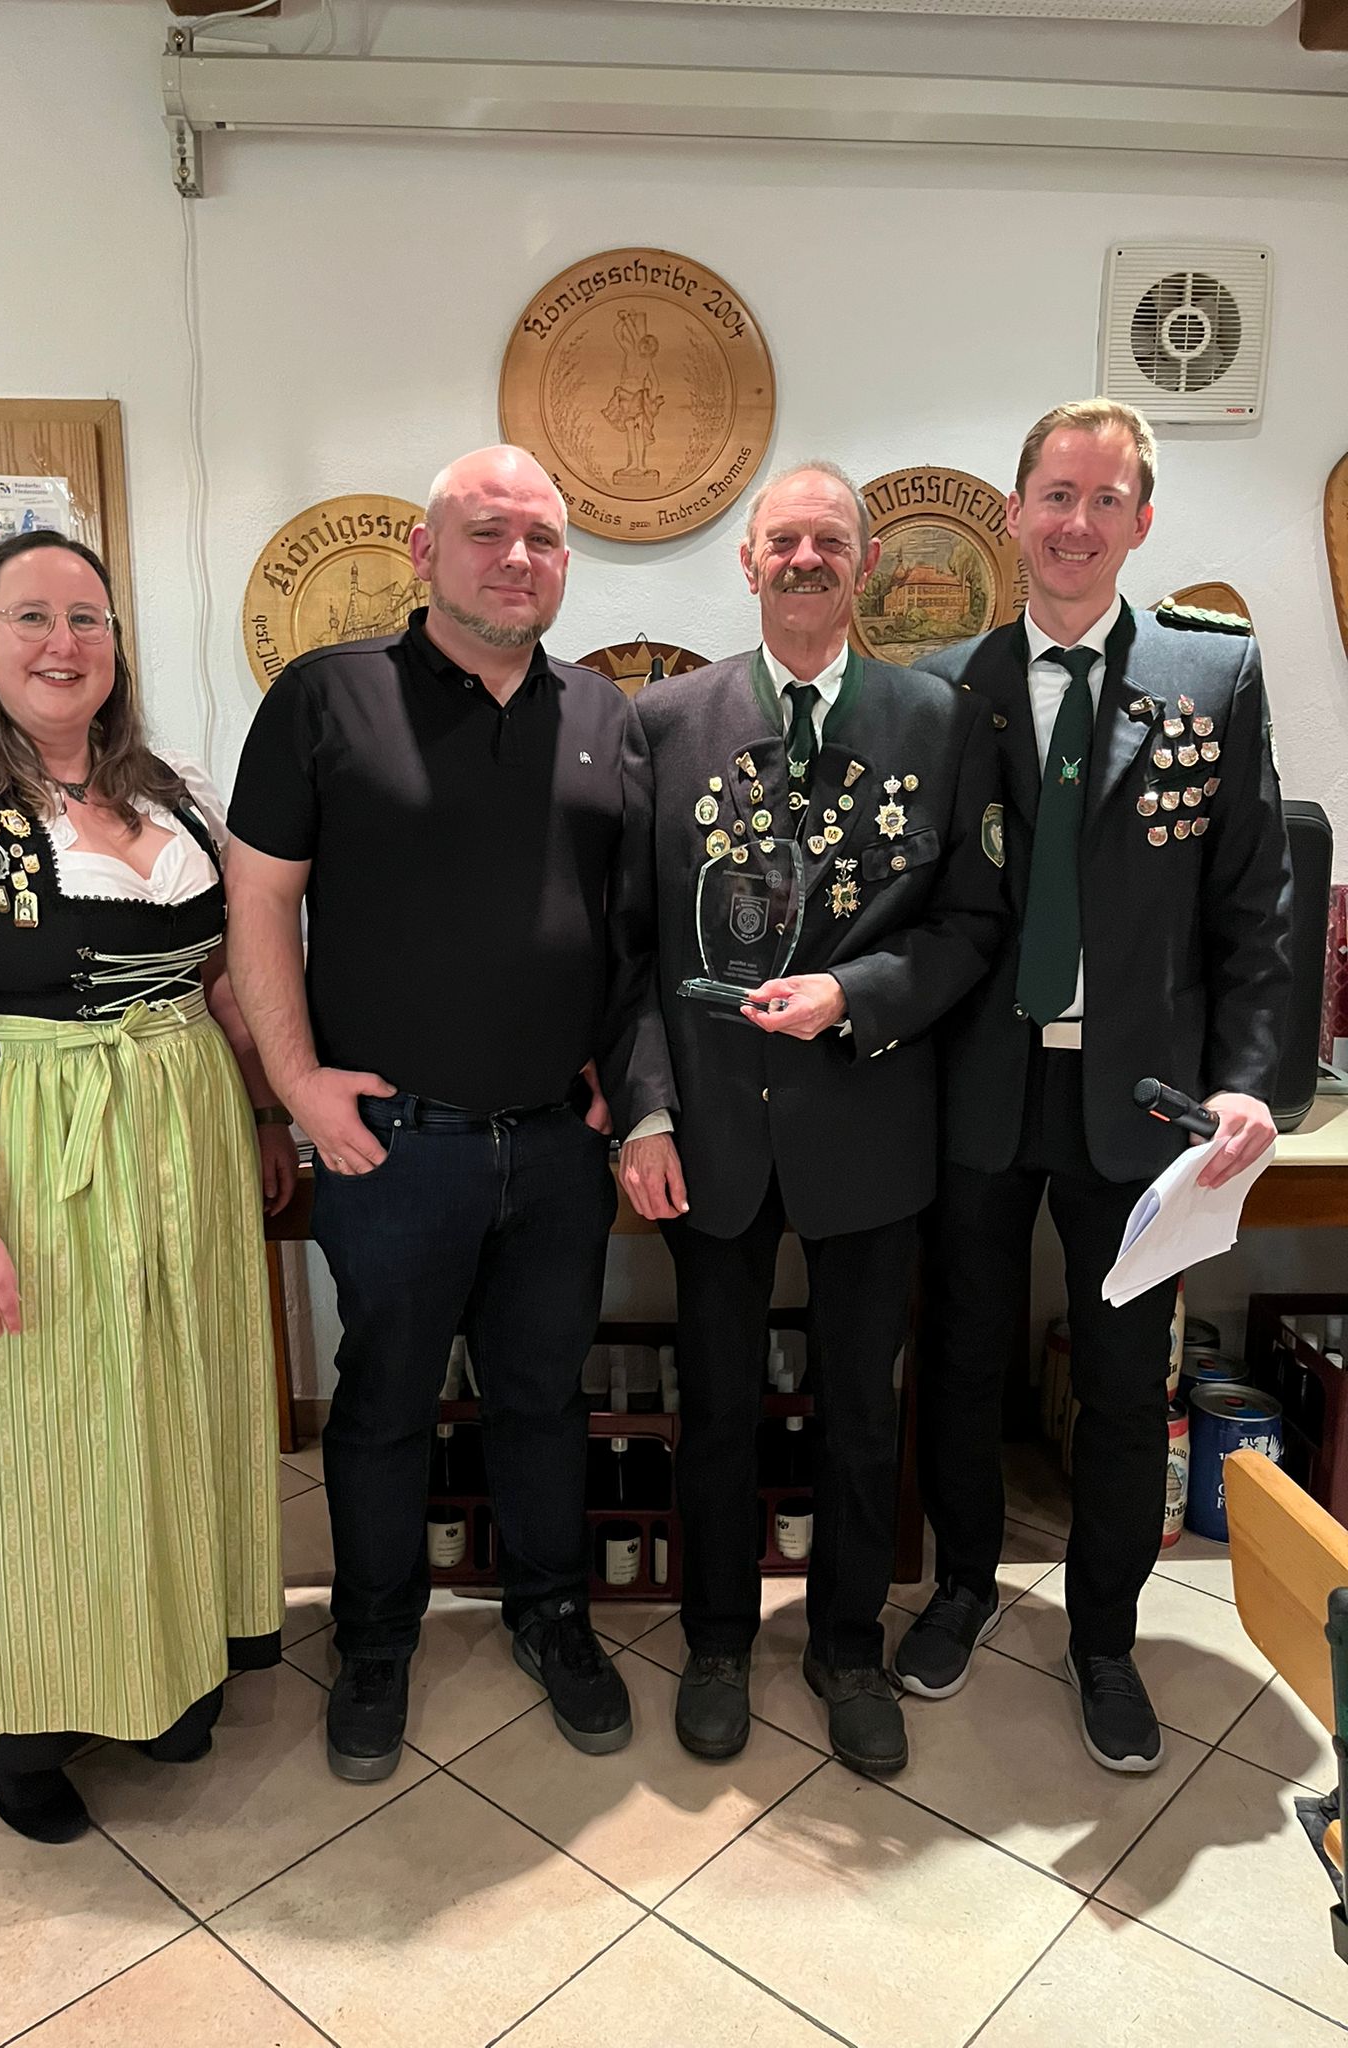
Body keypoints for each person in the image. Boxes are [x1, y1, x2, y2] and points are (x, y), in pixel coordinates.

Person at [0, 531, 292, 1843]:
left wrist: (262, 1112)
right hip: (21, 1152)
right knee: (40, 1434)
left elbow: (215, 979)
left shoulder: (168, 792)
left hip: (181, 1143)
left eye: (86, 618)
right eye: (29, 617)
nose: (62, 642)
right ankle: (20, 1725)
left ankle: (162, 1668)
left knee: (169, 1405)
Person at [224, 444, 639, 1783]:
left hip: (558, 1146)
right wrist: (294, 1083)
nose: (518, 559)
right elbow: (257, 902)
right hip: (395, 1144)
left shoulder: (605, 713)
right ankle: (374, 1637)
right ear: (424, 550)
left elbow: (624, 921)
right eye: (488, 531)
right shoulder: (326, 696)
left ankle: (552, 1613)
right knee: (386, 1402)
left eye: (544, 539)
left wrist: (620, 1073)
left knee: (541, 1396)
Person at [901, 399, 1292, 1771]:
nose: (1076, 522)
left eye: (1105, 498)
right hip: (979, 1088)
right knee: (961, 1359)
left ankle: (1107, 1638)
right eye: (1055, 496)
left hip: (1142, 1105)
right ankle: (961, 1586)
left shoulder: (1212, 674)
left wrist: (1251, 1083)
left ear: (1140, 521)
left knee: (1127, 1384)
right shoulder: (941, 685)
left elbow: (1255, 903)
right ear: (1015, 513)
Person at [611, 460, 1008, 1776]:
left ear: (867, 562)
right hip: (714, 1129)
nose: (804, 559)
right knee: (719, 1405)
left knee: (859, 1412)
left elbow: (970, 924)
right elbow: (632, 947)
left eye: (829, 541)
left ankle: (846, 1647)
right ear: (747, 561)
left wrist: (855, 992)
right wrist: (645, 1113)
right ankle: (718, 1641)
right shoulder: (666, 723)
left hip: (869, 1118)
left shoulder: (936, 721)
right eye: (782, 539)